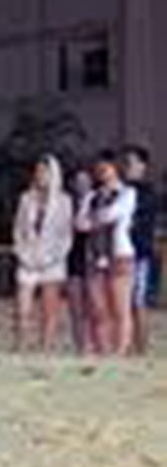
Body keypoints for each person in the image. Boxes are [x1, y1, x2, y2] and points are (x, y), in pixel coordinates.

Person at [12, 155, 73, 352]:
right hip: (28, 259)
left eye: (44, 172)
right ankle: (22, 345)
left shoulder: (64, 201)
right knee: (23, 309)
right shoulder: (26, 198)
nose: (40, 175)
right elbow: (18, 230)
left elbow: (66, 235)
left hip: (52, 262)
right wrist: (22, 253)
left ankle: (46, 347)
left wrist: (52, 258)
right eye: (37, 171)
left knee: (49, 310)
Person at [86, 152, 138, 356]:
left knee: (120, 307)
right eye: (99, 169)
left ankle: (121, 349)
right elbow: (81, 222)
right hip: (96, 253)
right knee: (99, 307)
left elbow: (112, 214)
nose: (102, 172)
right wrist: (94, 218)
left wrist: (94, 218)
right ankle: (103, 348)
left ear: (115, 169)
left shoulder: (127, 193)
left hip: (119, 253)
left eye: (106, 168)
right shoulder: (93, 196)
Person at [123, 145, 157, 355]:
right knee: (123, 302)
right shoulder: (121, 189)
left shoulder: (147, 193)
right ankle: (125, 345)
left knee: (138, 300)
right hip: (120, 253)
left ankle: (141, 347)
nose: (127, 167)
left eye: (131, 163)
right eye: (125, 163)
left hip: (139, 253)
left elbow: (138, 222)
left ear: (142, 166)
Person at [66, 168, 97, 354]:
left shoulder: (97, 201)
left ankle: (94, 342)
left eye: (85, 180)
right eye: (78, 181)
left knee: (93, 305)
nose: (81, 185)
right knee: (75, 305)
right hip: (73, 256)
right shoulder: (68, 203)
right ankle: (80, 345)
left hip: (92, 256)